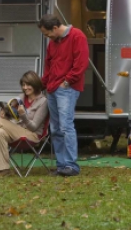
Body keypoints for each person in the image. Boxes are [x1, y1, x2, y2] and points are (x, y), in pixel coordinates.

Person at [38, 14, 89, 177]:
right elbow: (49, 65)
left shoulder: (77, 36)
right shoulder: (53, 43)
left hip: (67, 88)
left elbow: (81, 63)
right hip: (53, 88)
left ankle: (71, 166)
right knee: (56, 128)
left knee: (66, 126)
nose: (47, 37)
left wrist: (67, 82)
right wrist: (42, 84)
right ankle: (61, 165)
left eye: (47, 33)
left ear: (55, 28)